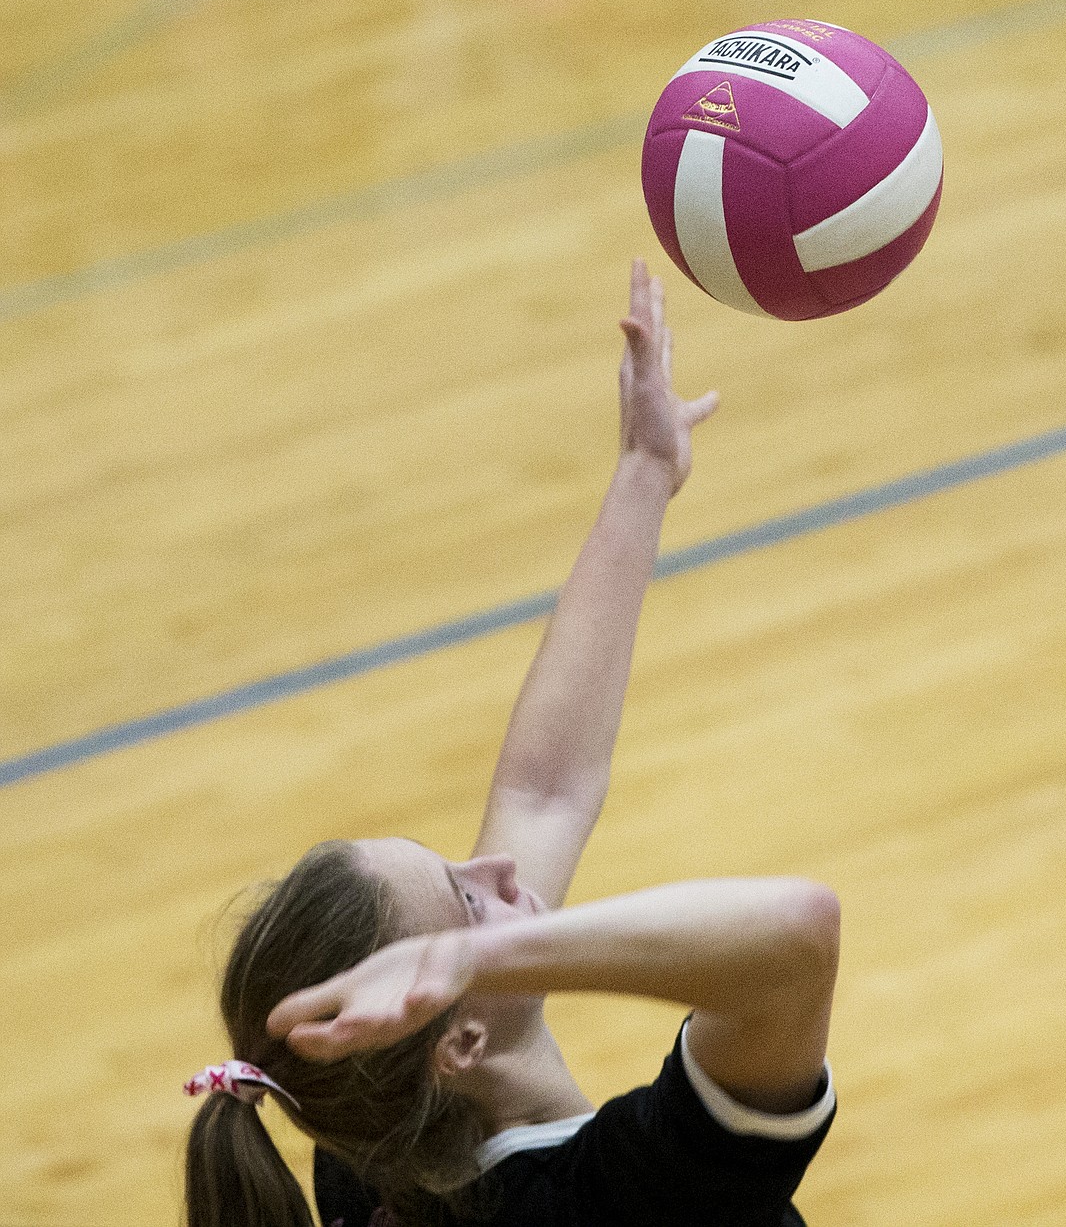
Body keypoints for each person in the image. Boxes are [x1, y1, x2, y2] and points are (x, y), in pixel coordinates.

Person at [184, 260, 841, 1227]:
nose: (496, 864)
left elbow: (545, 787)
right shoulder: (628, 1200)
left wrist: (643, 475)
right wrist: (478, 960)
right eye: (461, 900)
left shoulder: (373, 1155)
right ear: (458, 1043)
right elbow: (795, 936)